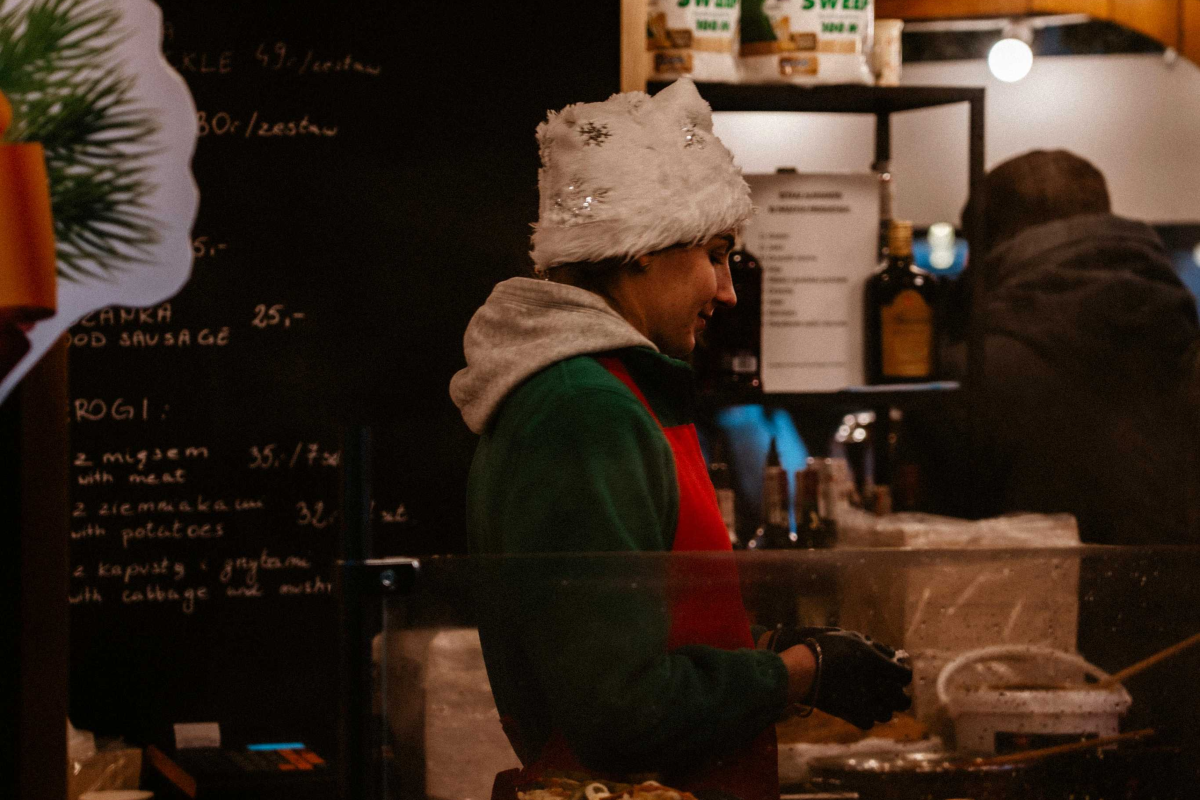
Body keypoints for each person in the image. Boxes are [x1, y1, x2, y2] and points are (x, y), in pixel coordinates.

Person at [450, 79, 911, 800]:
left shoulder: (604, 391)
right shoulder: (584, 410)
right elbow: (621, 713)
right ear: (641, 248)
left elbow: (621, 642)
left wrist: (766, 654)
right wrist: (802, 671)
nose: (728, 290)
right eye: (716, 253)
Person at [944, 149, 1200, 543]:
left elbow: (929, 551)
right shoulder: (1185, 350)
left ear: (986, 250)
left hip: (1024, 602)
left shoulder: (971, 375)